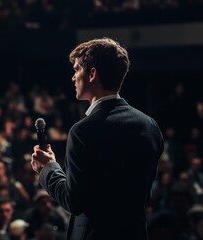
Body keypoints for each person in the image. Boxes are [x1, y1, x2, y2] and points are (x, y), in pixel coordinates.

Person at [30, 37, 165, 240]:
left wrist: (49, 168)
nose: (73, 78)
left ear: (92, 74)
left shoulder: (83, 131)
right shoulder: (149, 126)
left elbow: (73, 201)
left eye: (76, 70)